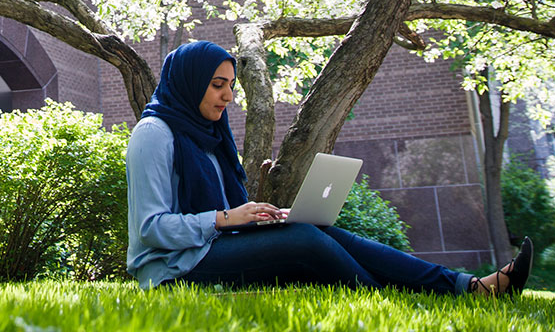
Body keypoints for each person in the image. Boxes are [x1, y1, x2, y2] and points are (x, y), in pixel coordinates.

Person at [126, 40, 533, 295]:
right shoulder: (154, 133)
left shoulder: (210, 134)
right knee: (304, 240)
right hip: (173, 269)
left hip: (212, 247)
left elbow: (219, 210)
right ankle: (392, 299)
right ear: (188, 81)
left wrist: (256, 218)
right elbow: (150, 229)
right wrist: (228, 218)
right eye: (218, 85)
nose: (229, 95)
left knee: (318, 228)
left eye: (231, 85)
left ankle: (466, 285)